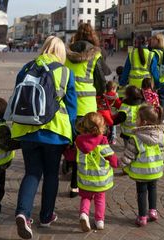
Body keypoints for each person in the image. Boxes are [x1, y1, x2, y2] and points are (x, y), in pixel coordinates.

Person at [11, 36, 77, 239]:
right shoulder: (65, 72)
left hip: (26, 129)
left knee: (31, 173)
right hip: (54, 133)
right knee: (50, 175)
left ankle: (23, 213)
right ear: (61, 52)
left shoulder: (26, 68)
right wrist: (72, 133)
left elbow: (17, 95)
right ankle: (46, 216)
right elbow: (73, 106)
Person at [65, 23, 108, 198]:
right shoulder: (96, 54)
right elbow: (101, 81)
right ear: (93, 36)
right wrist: (99, 93)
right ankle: (75, 185)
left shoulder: (67, 54)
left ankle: (66, 164)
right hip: (88, 107)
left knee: (69, 140)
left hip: (69, 105)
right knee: (82, 147)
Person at [121, 104, 164, 227]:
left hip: (141, 172)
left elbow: (129, 156)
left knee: (142, 193)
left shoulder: (135, 138)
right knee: (153, 189)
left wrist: (120, 164)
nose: (135, 120)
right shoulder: (160, 135)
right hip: (156, 171)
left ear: (143, 122)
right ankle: (153, 211)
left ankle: (142, 217)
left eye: (137, 118)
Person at [75, 112, 118, 232]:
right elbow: (113, 160)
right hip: (100, 179)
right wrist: (117, 164)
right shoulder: (103, 141)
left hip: (85, 178)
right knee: (100, 199)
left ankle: (84, 214)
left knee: (85, 197)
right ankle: (99, 221)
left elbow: (72, 156)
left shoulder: (79, 141)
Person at [148, 33, 164, 120]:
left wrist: (156, 82)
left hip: (160, 81)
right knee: (162, 99)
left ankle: (159, 117)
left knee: (157, 100)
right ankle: (162, 117)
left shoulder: (155, 53)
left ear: (158, 41)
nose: (151, 41)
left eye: (153, 39)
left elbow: (153, 69)